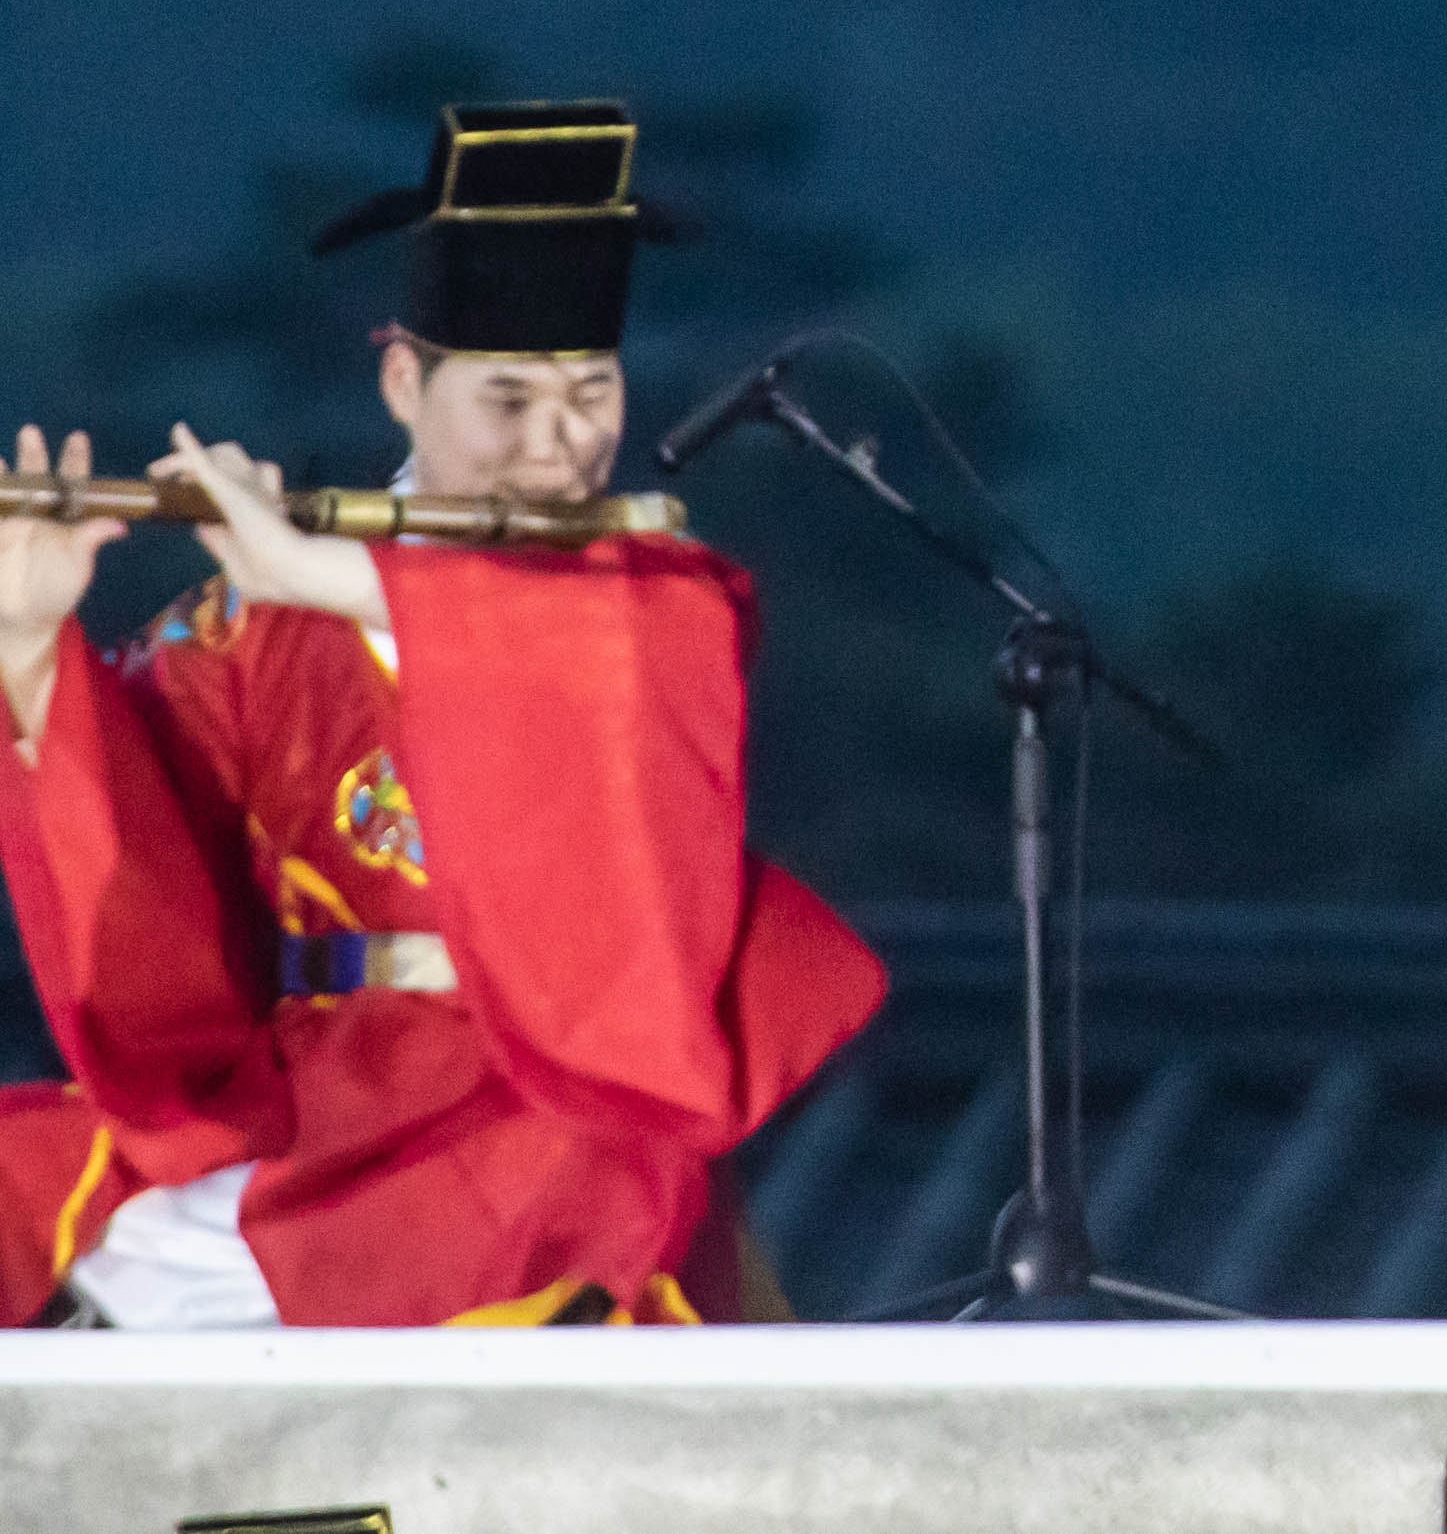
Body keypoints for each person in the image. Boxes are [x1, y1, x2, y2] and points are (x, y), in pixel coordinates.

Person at [0, 103, 887, 1325]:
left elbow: (602, 716)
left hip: (541, 1094)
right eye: (509, 399)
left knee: (593, 1185)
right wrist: (28, 643)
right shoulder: (252, 618)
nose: (559, 442)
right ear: (404, 380)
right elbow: (143, 877)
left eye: (590, 391)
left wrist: (332, 579)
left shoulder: (650, 601)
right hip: (306, 1093)